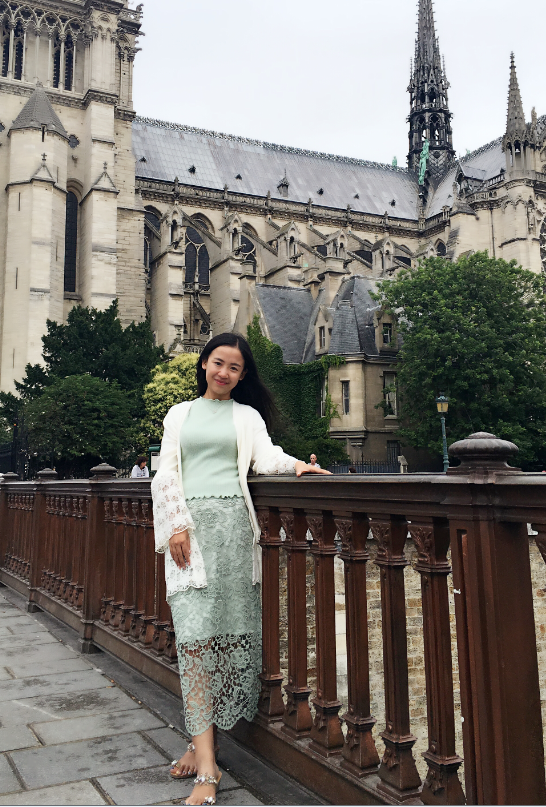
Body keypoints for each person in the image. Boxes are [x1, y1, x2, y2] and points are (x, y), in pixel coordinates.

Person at [151, 333, 330, 806]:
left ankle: (200, 745)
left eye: (234, 367)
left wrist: (297, 466)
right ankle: (208, 766)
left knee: (225, 638)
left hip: (233, 531)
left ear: (242, 374)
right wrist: (176, 524)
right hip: (190, 534)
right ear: (204, 364)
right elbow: (166, 472)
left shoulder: (247, 416)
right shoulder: (179, 414)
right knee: (194, 640)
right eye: (218, 363)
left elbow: (264, 457)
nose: (224, 372)